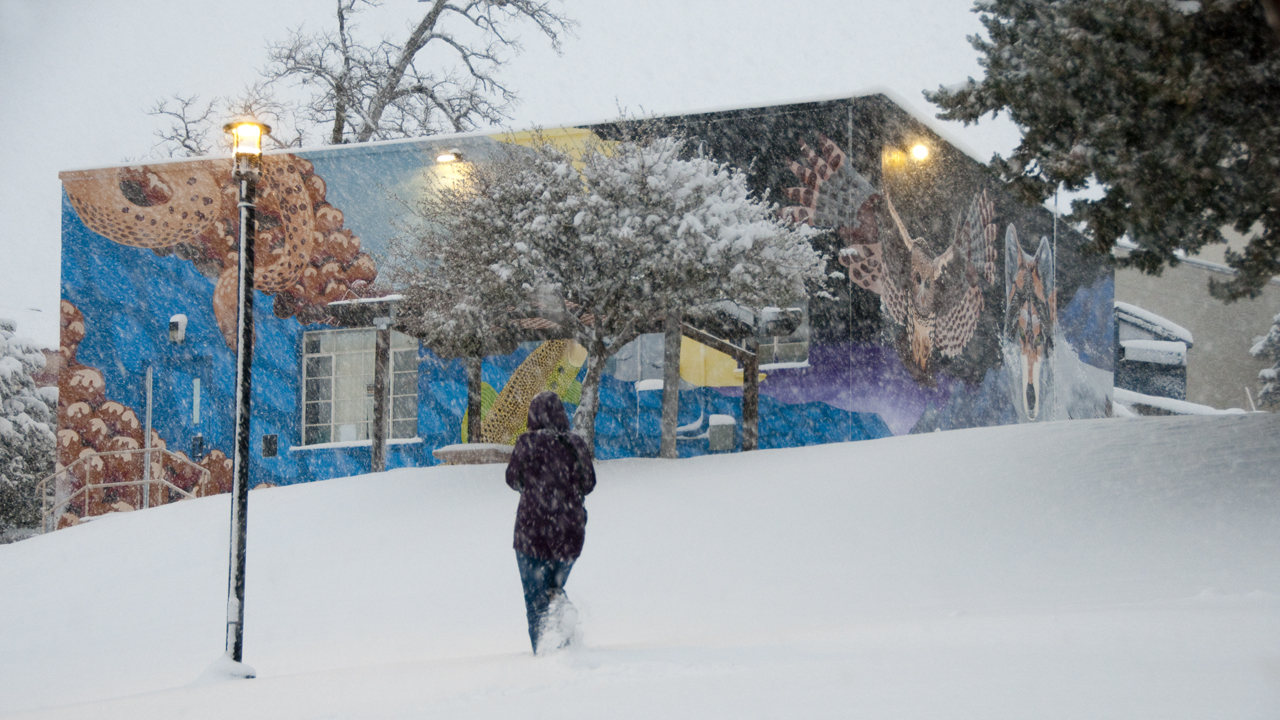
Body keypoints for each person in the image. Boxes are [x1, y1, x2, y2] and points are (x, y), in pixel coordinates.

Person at [505, 391, 596, 654]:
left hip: (531, 531)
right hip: (569, 531)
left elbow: (512, 479)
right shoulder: (575, 443)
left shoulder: (527, 443)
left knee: (535, 598)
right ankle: (562, 617)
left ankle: (544, 653)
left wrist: (533, 486)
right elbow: (589, 484)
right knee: (553, 588)